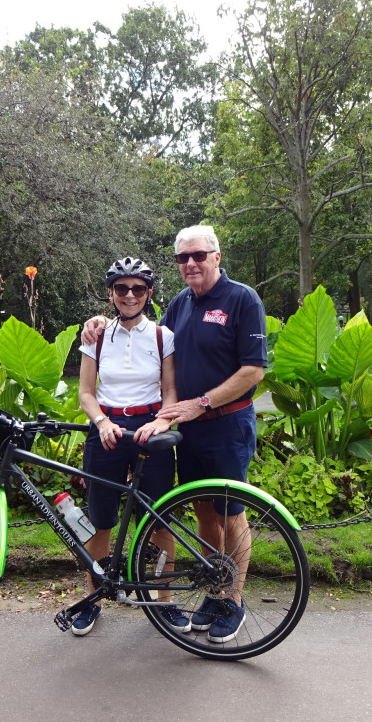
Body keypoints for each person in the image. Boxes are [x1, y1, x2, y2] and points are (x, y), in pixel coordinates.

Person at [81, 225, 267, 643]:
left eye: (198, 255)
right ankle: (214, 589)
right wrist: (97, 323)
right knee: (202, 509)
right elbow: (143, 341)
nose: (191, 264)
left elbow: (253, 370)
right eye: (183, 258)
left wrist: (201, 403)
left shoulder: (242, 299)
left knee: (232, 512)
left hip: (226, 423)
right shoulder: (180, 306)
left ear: (216, 256)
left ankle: (232, 599)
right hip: (187, 429)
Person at [72, 256, 184, 637]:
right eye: (122, 288)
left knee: (159, 519)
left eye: (138, 288)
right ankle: (93, 599)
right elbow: (86, 393)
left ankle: (164, 603)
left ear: (148, 293)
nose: (130, 295)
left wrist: (160, 421)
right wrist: (101, 421)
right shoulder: (96, 335)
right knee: (101, 518)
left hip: (149, 426)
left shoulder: (161, 336)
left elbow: (170, 391)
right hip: (106, 428)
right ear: (111, 293)